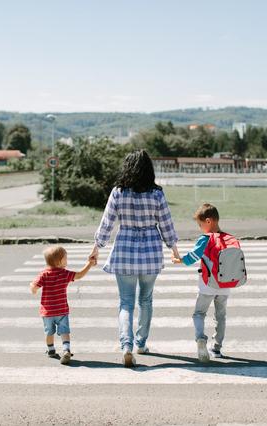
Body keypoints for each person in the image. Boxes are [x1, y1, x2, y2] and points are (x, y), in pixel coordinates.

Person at [89, 150, 180, 368]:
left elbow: (107, 223)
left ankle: (126, 346)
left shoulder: (118, 192)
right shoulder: (157, 194)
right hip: (150, 253)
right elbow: (166, 224)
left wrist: (96, 248)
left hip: (124, 252)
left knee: (126, 303)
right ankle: (141, 343)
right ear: (149, 169)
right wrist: (174, 248)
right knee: (146, 300)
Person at [172, 203, 229, 362]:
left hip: (208, 285)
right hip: (225, 286)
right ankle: (217, 348)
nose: (200, 228)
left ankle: (201, 339)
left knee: (199, 313)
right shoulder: (228, 238)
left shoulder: (206, 239)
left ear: (209, 221)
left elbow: (193, 256)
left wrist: (180, 260)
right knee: (221, 316)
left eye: (200, 224)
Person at [30, 245, 96, 365]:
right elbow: (80, 274)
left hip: (48, 312)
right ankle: (66, 349)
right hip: (62, 310)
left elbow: (35, 286)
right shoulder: (64, 273)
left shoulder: (44, 274)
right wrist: (89, 264)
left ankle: (51, 350)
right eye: (66, 257)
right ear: (59, 261)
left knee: (49, 332)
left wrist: (33, 289)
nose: (67, 259)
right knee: (65, 331)